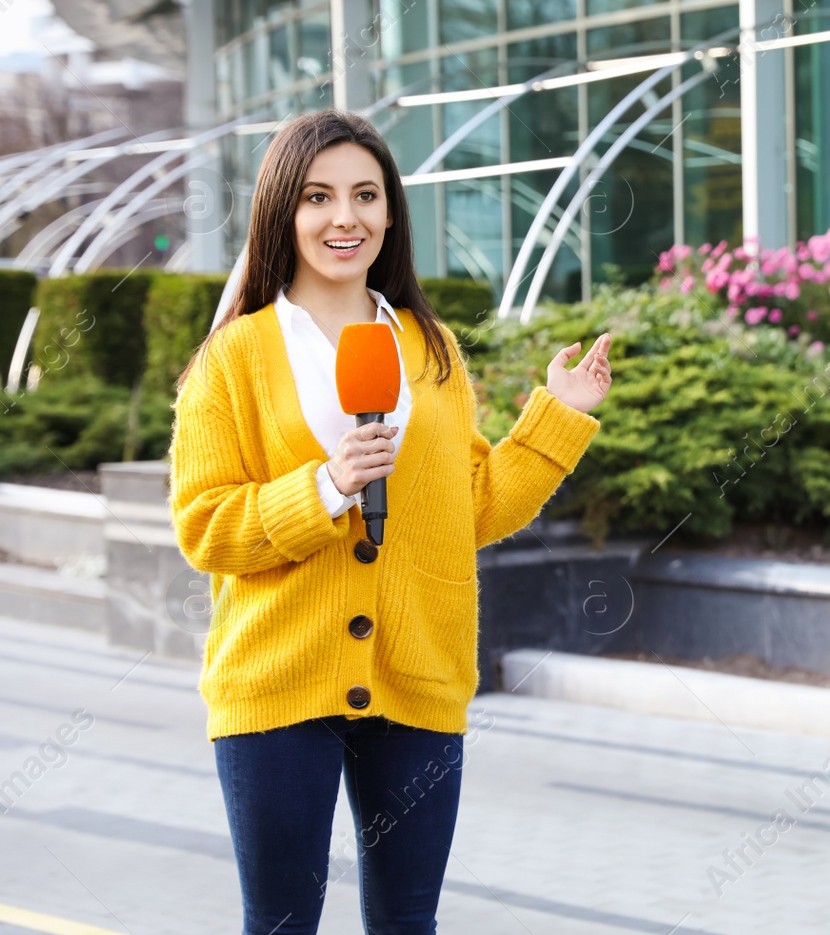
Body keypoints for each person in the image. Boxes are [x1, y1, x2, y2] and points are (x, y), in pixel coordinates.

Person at [168, 110, 613, 934]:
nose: (346, 218)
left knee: (409, 922)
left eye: (366, 195)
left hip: (418, 675)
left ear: (390, 212)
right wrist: (326, 486)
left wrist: (558, 415)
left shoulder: (430, 348)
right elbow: (204, 526)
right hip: (276, 682)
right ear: (283, 212)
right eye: (319, 196)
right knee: (281, 923)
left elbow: (471, 506)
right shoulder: (235, 356)